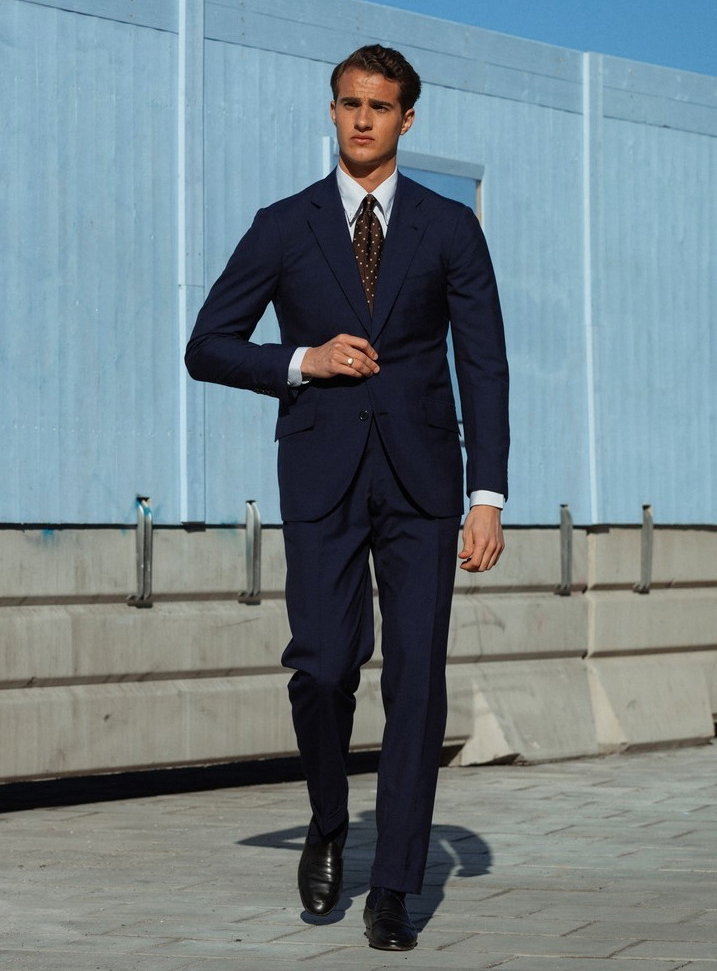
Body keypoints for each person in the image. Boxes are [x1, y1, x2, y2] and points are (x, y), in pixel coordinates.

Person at [185, 44, 509, 951]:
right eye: (347, 104)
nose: (361, 119)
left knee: (415, 682)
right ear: (331, 113)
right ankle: (329, 819)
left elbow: (482, 363)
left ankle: (395, 884)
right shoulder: (283, 226)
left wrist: (486, 493)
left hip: (423, 485)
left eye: (379, 105)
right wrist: (301, 360)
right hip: (321, 473)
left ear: (409, 118)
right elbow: (207, 343)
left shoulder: (449, 229)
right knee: (323, 666)